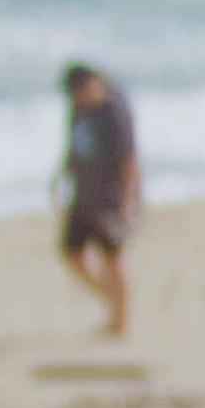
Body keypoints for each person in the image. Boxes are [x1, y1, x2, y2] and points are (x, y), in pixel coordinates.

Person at [51, 63, 141, 343]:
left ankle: (120, 317)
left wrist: (128, 200)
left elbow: (129, 158)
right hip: (83, 194)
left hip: (109, 198)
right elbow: (72, 147)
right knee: (72, 253)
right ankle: (112, 301)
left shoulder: (114, 112)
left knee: (111, 258)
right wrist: (60, 177)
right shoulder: (77, 110)